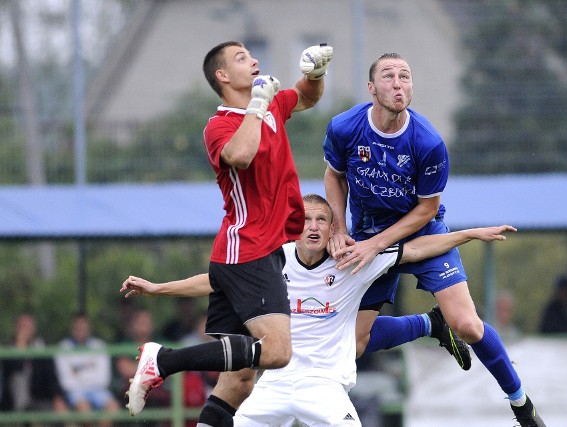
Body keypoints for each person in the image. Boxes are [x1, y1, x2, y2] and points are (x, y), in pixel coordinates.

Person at [120, 194, 516, 426]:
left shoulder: (353, 260)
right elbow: (216, 280)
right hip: (272, 384)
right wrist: (159, 289)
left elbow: (415, 249)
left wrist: (470, 234)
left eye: (321, 219)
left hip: (324, 388)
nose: (312, 226)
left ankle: (430, 325)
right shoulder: (275, 258)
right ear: (296, 225)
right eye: (306, 219)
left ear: (332, 229)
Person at [322, 52, 545, 426]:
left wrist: (379, 245)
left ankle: (521, 404)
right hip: (366, 234)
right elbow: (333, 175)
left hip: (421, 232)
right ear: (371, 88)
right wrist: (339, 229)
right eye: (389, 76)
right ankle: (430, 325)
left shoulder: (427, 142)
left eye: (405, 76)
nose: (398, 83)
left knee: (469, 325)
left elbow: (426, 210)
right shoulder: (345, 127)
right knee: (354, 344)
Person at [124, 41, 334, 426]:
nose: (254, 61)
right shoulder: (219, 125)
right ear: (222, 76)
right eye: (242, 58)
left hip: (255, 252)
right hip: (247, 248)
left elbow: (306, 96)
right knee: (277, 351)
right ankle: (164, 360)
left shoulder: (269, 103)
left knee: (238, 382)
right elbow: (241, 155)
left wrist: (316, 73)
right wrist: (257, 104)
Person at [54, 312, 120, 427]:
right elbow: (66, 382)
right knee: (85, 410)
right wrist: (89, 375)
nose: (80, 330)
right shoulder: (62, 348)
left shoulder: (100, 346)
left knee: (113, 408)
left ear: (89, 329)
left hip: (98, 390)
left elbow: (104, 380)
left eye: (83, 327)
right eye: (77, 327)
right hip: (75, 392)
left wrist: (78, 375)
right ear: (72, 329)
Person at [0, 313, 69, 416]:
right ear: (16, 329)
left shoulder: (42, 348)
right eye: (22, 327)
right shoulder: (8, 349)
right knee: (19, 378)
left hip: (40, 398)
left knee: (57, 413)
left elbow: (51, 375)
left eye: (28, 327)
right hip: (14, 401)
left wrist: (57, 397)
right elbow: (13, 369)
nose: (25, 330)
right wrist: (20, 346)